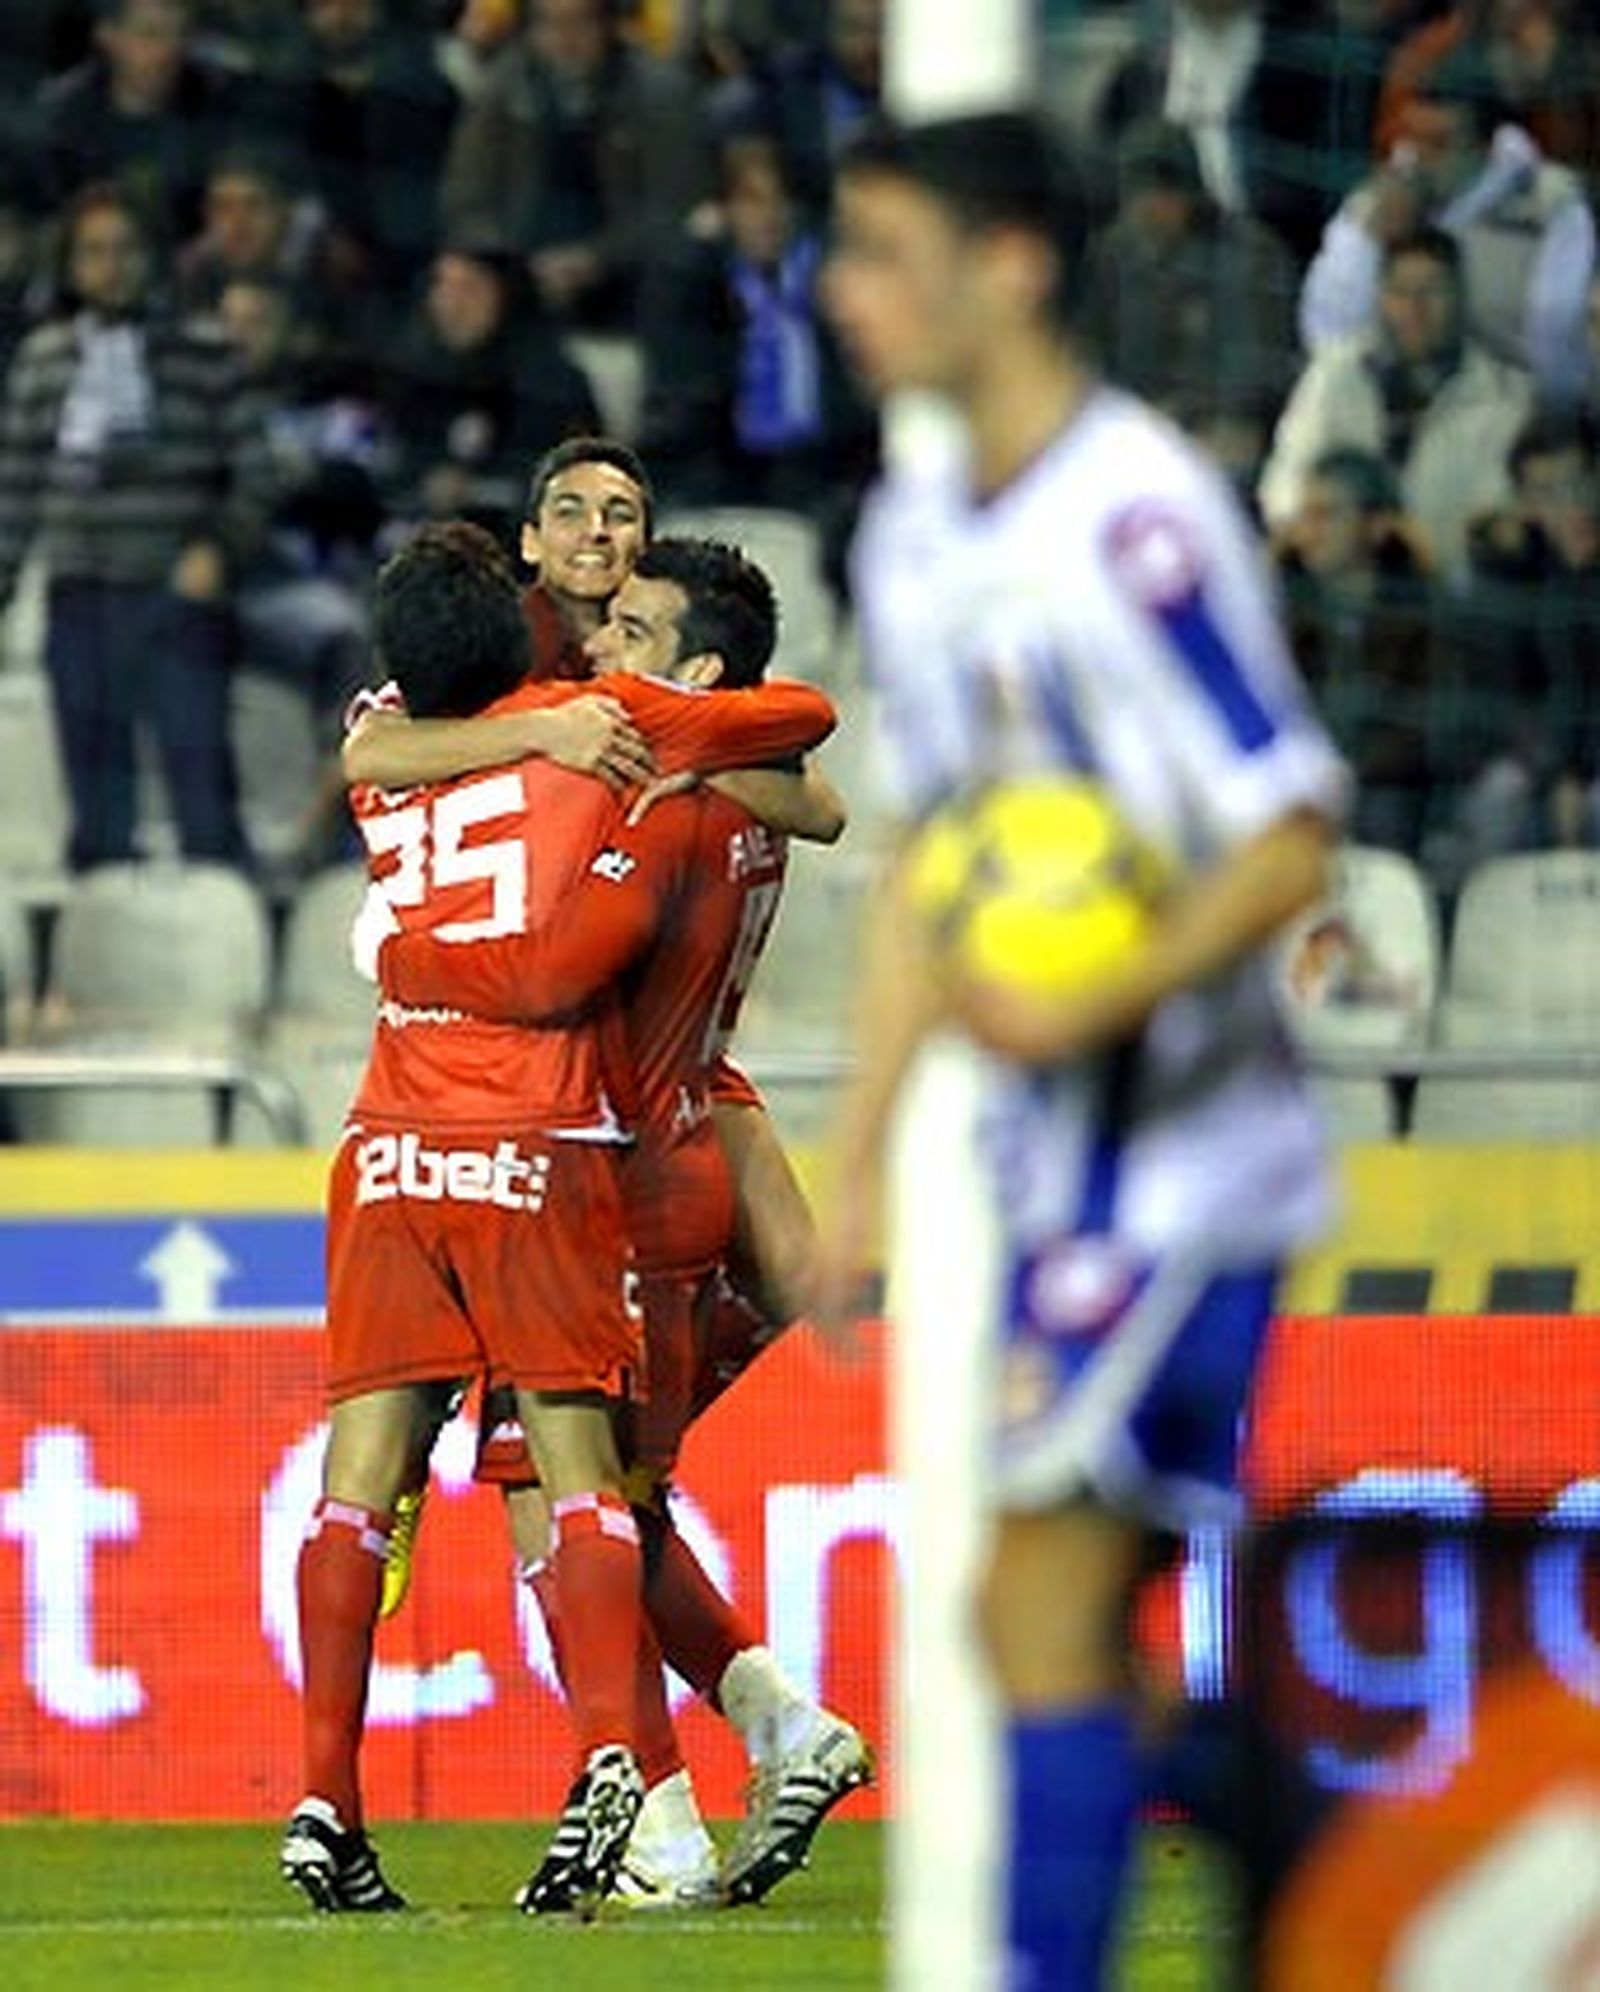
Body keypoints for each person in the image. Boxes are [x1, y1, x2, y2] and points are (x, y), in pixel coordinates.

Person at [814, 111, 1347, 1991]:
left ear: (1010, 265)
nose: (844, 292)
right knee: (1049, 1628)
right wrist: (858, 1162)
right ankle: (1378, 1853)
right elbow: (931, 869)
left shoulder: (1136, 521)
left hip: (1185, 1163)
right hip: (1063, 1166)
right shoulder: (907, 538)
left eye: (882, 252)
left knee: (1025, 1609)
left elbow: (1290, 832)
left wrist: (1087, 1001)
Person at [281, 519, 838, 1916]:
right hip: (568, 1148)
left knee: (518, 1489)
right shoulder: (610, 748)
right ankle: (748, 1736)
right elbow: (812, 775)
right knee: (589, 1495)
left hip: (535, 1158)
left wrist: (409, 959)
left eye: (634, 627)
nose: (601, 642)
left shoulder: (470, 758)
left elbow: (551, 964)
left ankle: (650, 1810)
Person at [0, 180, 272, 870]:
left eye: (125, 249)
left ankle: (223, 918)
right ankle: (101, 931)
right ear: (71, 265)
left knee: (203, 795)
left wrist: (218, 550)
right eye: (93, 252)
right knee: (97, 810)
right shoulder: (43, 359)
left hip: (178, 597)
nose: (111, 266)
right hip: (79, 598)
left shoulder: (207, 352)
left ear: (153, 256)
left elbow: (256, 476)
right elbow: (17, 489)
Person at [1298, 46, 1596, 407]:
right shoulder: (1376, 203)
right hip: (1389, 406)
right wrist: (1367, 242)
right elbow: (1327, 337)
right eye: (1413, 138)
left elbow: (1560, 343)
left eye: (1439, 143)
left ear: (1486, 147)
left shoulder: (1551, 207)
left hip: (1508, 409)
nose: (1419, 158)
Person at [1260, 226, 1532, 581]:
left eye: (1432, 291)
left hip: (1448, 588)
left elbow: (1498, 514)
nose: (1414, 308)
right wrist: (1320, 531)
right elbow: (1284, 480)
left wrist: (1409, 544)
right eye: (1400, 291)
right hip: (1332, 580)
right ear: (1380, 296)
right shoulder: (1334, 374)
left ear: (1461, 296)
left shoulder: (1508, 396)